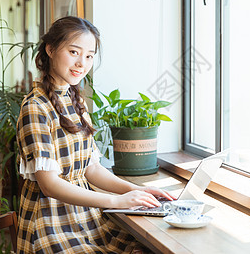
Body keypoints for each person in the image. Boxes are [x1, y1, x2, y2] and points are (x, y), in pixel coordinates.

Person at [16, 16, 175, 253]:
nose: (82, 63)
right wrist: (115, 201)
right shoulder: (35, 107)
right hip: (50, 224)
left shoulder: (75, 99)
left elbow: (91, 169)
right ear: (50, 49)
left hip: (84, 219)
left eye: (89, 56)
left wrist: (134, 191)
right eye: (74, 52)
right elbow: (49, 185)